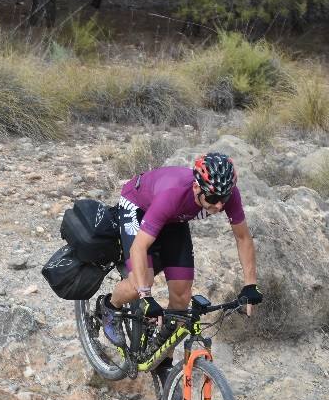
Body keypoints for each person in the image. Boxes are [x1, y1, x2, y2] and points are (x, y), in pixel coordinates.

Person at [97, 152, 262, 383]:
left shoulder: (225, 195)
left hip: (175, 218)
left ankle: (162, 362)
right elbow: (139, 248)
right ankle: (109, 307)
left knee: (182, 300)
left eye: (224, 198)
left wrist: (250, 285)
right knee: (139, 283)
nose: (220, 205)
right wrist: (146, 297)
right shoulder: (174, 193)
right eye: (213, 199)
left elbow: (243, 238)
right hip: (139, 206)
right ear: (197, 188)